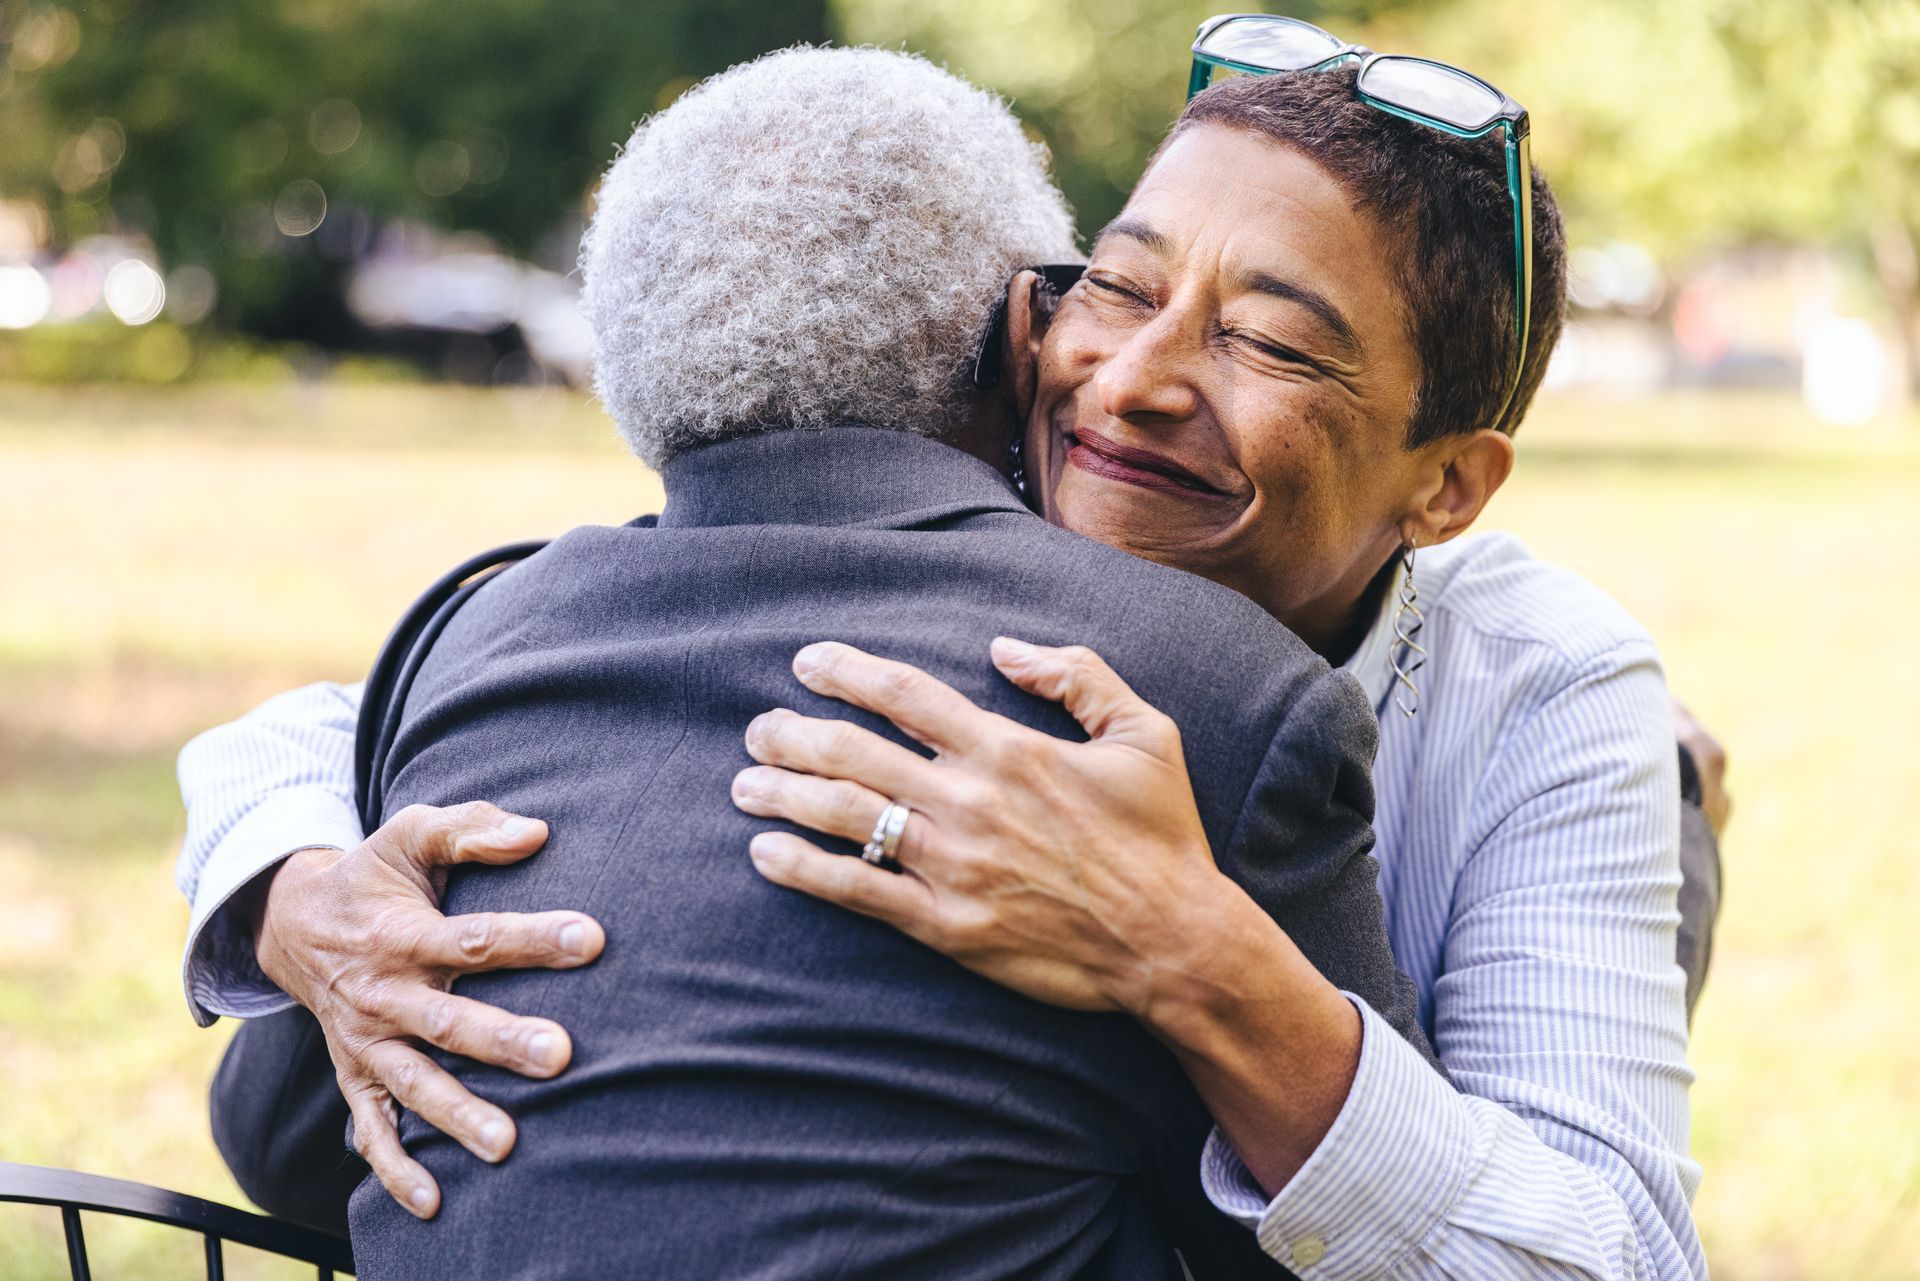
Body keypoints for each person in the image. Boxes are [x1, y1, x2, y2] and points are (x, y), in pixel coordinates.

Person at [177, 33, 1724, 1281]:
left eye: (1269, 340)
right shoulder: (945, 505)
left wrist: (1190, 951)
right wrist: (304, 893)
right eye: (1115, 282)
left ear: (1444, 482)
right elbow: (359, 710)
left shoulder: (1544, 684)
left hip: (1440, 1148)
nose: (1128, 380)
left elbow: (1618, 1260)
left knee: (1653, 821)